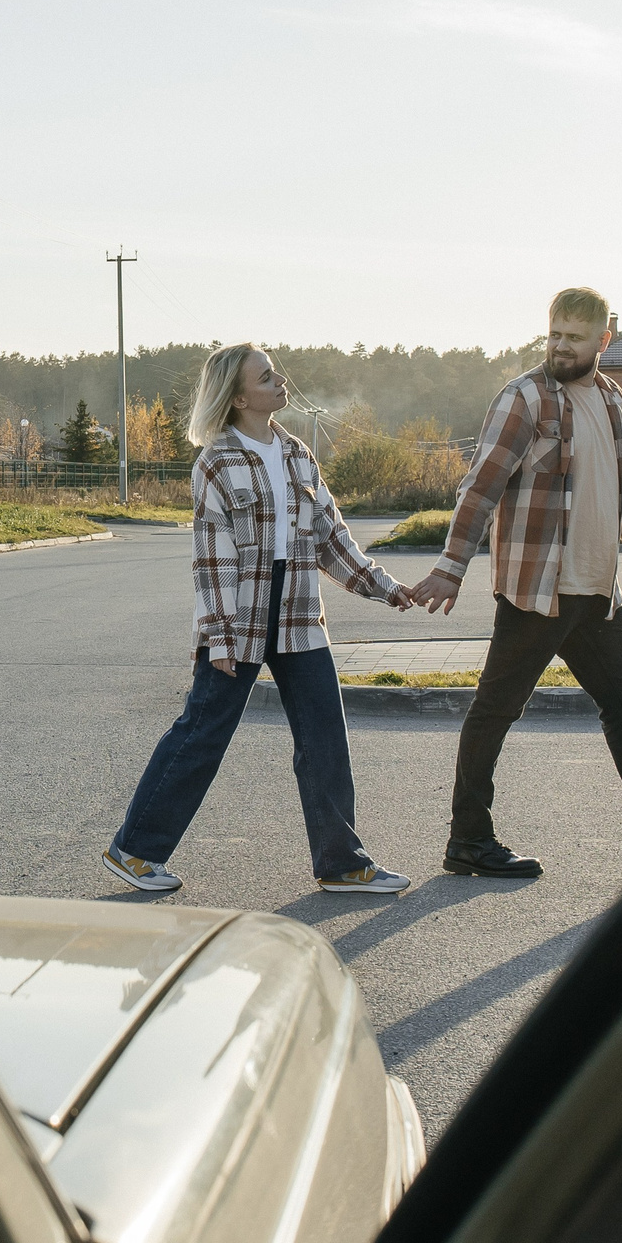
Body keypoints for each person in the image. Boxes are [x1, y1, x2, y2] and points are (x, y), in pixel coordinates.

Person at [104, 344, 416, 896]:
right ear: (239, 395)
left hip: (297, 609)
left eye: (276, 373)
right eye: (266, 376)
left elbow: (331, 537)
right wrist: (218, 636)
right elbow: (211, 557)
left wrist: (386, 589)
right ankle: (134, 850)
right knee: (203, 732)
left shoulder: (297, 454)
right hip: (240, 614)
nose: (280, 381)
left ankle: (342, 864)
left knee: (324, 735)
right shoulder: (216, 461)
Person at [407, 288, 622, 877]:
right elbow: (479, 489)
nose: (561, 346)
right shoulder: (524, 399)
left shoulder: (613, 403)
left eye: (575, 338)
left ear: (602, 341)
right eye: (554, 334)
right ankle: (469, 842)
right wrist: (450, 568)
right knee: (495, 711)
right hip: (538, 591)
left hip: (595, 595)